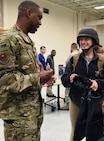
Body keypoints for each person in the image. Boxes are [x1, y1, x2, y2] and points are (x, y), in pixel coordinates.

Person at [0, 1, 55, 141]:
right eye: (39, 17)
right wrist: (38, 77)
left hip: (31, 115)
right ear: (29, 13)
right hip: (19, 120)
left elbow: (26, 75)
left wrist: (44, 79)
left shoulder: (26, 42)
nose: (41, 23)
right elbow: (4, 79)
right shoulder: (8, 39)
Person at [61, 27, 104, 141]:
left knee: (96, 134)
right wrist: (69, 79)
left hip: (96, 102)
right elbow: (64, 79)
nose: (83, 42)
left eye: (86, 39)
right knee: (75, 134)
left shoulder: (102, 61)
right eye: (81, 39)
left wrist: (97, 84)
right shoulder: (74, 59)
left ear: (93, 41)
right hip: (77, 101)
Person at [60, 43, 79, 110]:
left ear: (71, 47)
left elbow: (68, 64)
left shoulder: (72, 55)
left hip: (71, 75)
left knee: (68, 90)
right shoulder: (80, 53)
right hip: (78, 76)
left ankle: (68, 105)